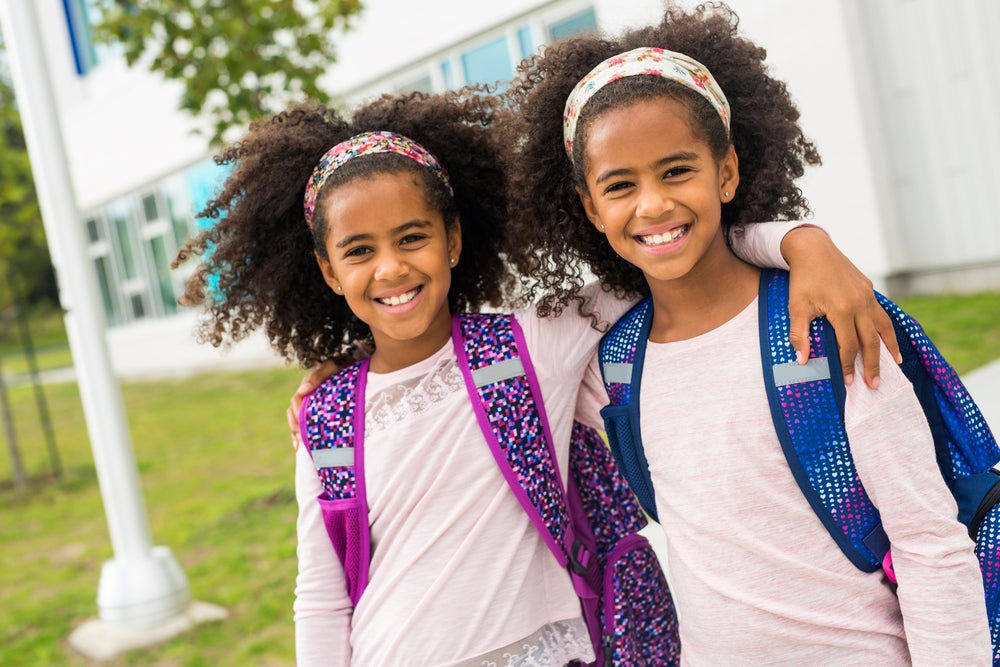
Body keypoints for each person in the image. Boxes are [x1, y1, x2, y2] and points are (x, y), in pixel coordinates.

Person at [177, 84, 895, 664]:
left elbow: (663, 249)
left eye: (413, 237)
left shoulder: (531, 343)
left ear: (454, 240)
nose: (391, 268)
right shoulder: (327, 417)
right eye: (359, 251)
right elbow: (321, 595)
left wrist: (800, 241)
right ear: (330, 273)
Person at [500, 3, 992, 665]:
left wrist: (801, 244)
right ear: (590, 207)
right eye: (620, 185)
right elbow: (461, 344)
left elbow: (930, 542)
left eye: (677, 171)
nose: (652, 204)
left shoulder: (821, 320)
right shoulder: (615, 363)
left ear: (726, 171)